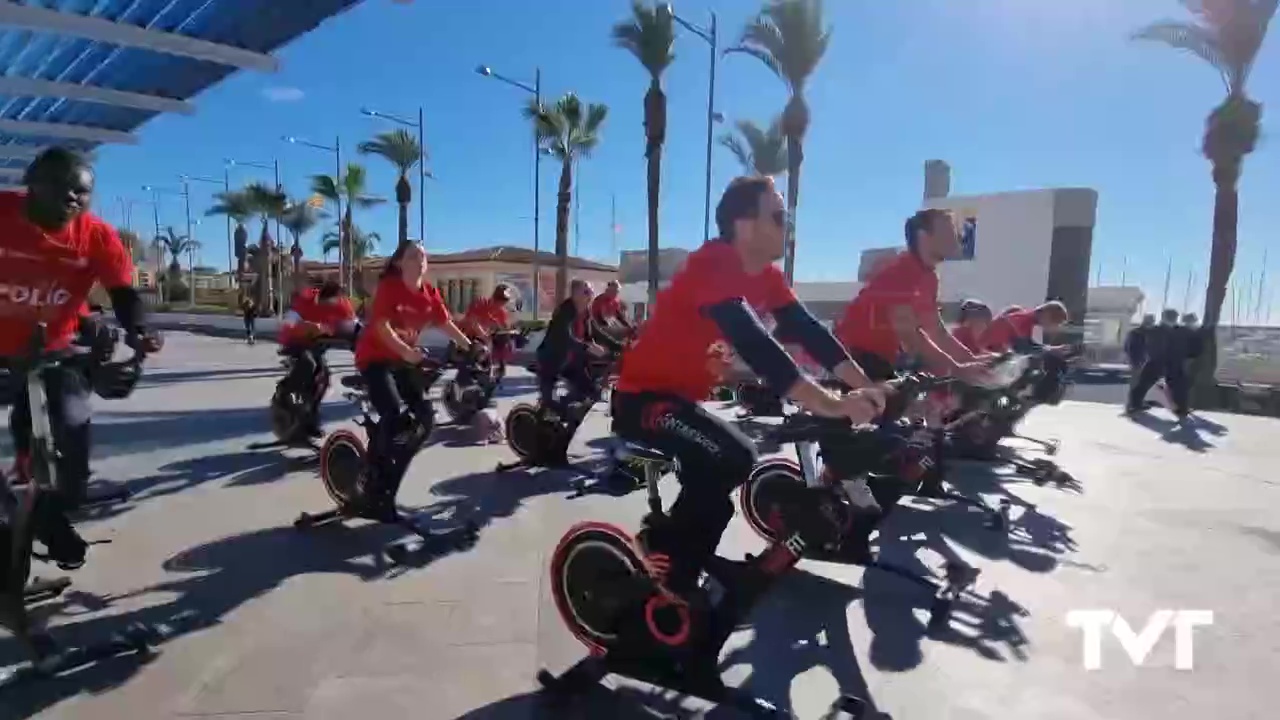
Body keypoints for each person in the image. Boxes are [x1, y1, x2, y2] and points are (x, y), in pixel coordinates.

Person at [613, 175, 886, 603]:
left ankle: (674, 568)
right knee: (734, 458)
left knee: (720, 492)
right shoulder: (715, 262)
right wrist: (832, 403)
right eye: (778, 217)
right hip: (641, 400)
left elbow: (808, 331)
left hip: (677, 400)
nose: (787, 226)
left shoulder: (767, 277)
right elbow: (755, 341)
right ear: (745, 225)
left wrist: (869, 388)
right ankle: (661, 552)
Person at [0, 147, 161, 570]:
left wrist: (139, 333)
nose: (73, 198)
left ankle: (48, 510)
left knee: (72, 430)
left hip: (53, 349)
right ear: (32, 182)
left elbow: (124, 294)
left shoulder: (96, 236)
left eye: (82, 193)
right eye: (62, 187)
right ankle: (31, 518)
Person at [834, 209, 992, 383]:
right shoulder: (900, 273)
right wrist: (957, 369)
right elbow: (910, 337)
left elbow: (937, 331)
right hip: (853, 358)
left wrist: (972, 360)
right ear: (923, 237)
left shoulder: (929, 278)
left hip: (881, 359)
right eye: (948, 232)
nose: (957, 237)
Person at [354, 242, 474, 463]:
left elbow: (445, 322)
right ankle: (372, 464)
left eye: (423, 256)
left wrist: (470, 346)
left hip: (402, 359)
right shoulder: (390, 287)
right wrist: (406, 352)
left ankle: (398, 456)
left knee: (425, 416)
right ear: (399, 263)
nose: (419, 260)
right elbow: (382, 326)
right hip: (375, 358)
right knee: (392, 412)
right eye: (412, 256)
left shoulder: (430, 293)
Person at [278, 280, 357, 437]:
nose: (332, 308)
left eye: (335, 304)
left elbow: (354, 326)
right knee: (308, 364)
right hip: (295, 341)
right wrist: (308, 326)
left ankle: (309, 418)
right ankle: (284, 392)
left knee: (323, 380)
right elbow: (288, 323)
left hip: (316, 344)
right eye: (327, 304)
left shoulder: (342, 303)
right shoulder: (305, 299)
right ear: (319, 297)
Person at [535, 279, 610, 413]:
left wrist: (620, 346)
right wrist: (587, 347)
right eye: (586, 292)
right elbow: (566, 338)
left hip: (572, 363)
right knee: (552, 405)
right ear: (575, 295)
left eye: (592, 292)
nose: (591, 296)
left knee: (592, 392)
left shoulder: (586, 313)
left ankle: (571, 415)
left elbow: (598, 332)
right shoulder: (564, 312)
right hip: (551, 362)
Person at [1127, 308, 1191, 420]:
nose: (1175, 319)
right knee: (1178, 386)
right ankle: (1181, 409)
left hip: (1158, 361)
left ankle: (1134, 405)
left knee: (1143, 384)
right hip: (1165, 362)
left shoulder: (1156, 330)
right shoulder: (1174, 331)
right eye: (1174, 317)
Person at [459, 284, 515, 380]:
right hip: (467, 338)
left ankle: (495, 370)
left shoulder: (501, 313)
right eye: (500, 300)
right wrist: (485, 336)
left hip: (485, 343)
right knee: (475, 355)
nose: (501, 304)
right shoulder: (481, 302)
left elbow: (504, 329)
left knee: (505, 342)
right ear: (494, 298)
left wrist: (509, 333)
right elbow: (473, 322)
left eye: (504, 301)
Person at [981, 301, 1071, 354]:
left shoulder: (1025, 317)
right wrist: (1053, 350)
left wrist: (1053, 349)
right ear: (1047, 315)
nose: (1054, 327)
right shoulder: (1022, 319)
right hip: (982, 353)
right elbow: (1023, 348)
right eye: (1056, 323)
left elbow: (1028, 344)